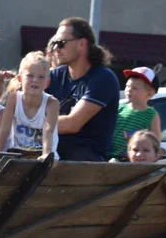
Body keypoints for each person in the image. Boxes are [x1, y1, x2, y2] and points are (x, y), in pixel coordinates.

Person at [45, 17, 121, 161]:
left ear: (81, 43)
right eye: (54, 43)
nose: (55, 48)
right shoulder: (54, 76)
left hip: (86, 160)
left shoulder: (103, 78)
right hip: (53, 150)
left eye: (61, 43)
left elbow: (72, 124)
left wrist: (31, 123)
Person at [0, 51, 59, 160]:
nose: (35, 80)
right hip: (17, 152)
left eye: (41, 77)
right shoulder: (14, 99)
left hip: (42, 153)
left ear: (47, 83)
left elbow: (49, 131)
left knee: (47, 164)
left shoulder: (51, 103)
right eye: (30, 75)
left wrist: (46, 154)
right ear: (20, 79)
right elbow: (4, 129)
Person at [111, 66, 162, 159]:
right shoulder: (119, 109)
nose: (129, 90)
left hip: (136, 160)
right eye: (127, 86)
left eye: (134, 88)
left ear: (150, 93)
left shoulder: (151, 115)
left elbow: (156, 141)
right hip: (112, 157)